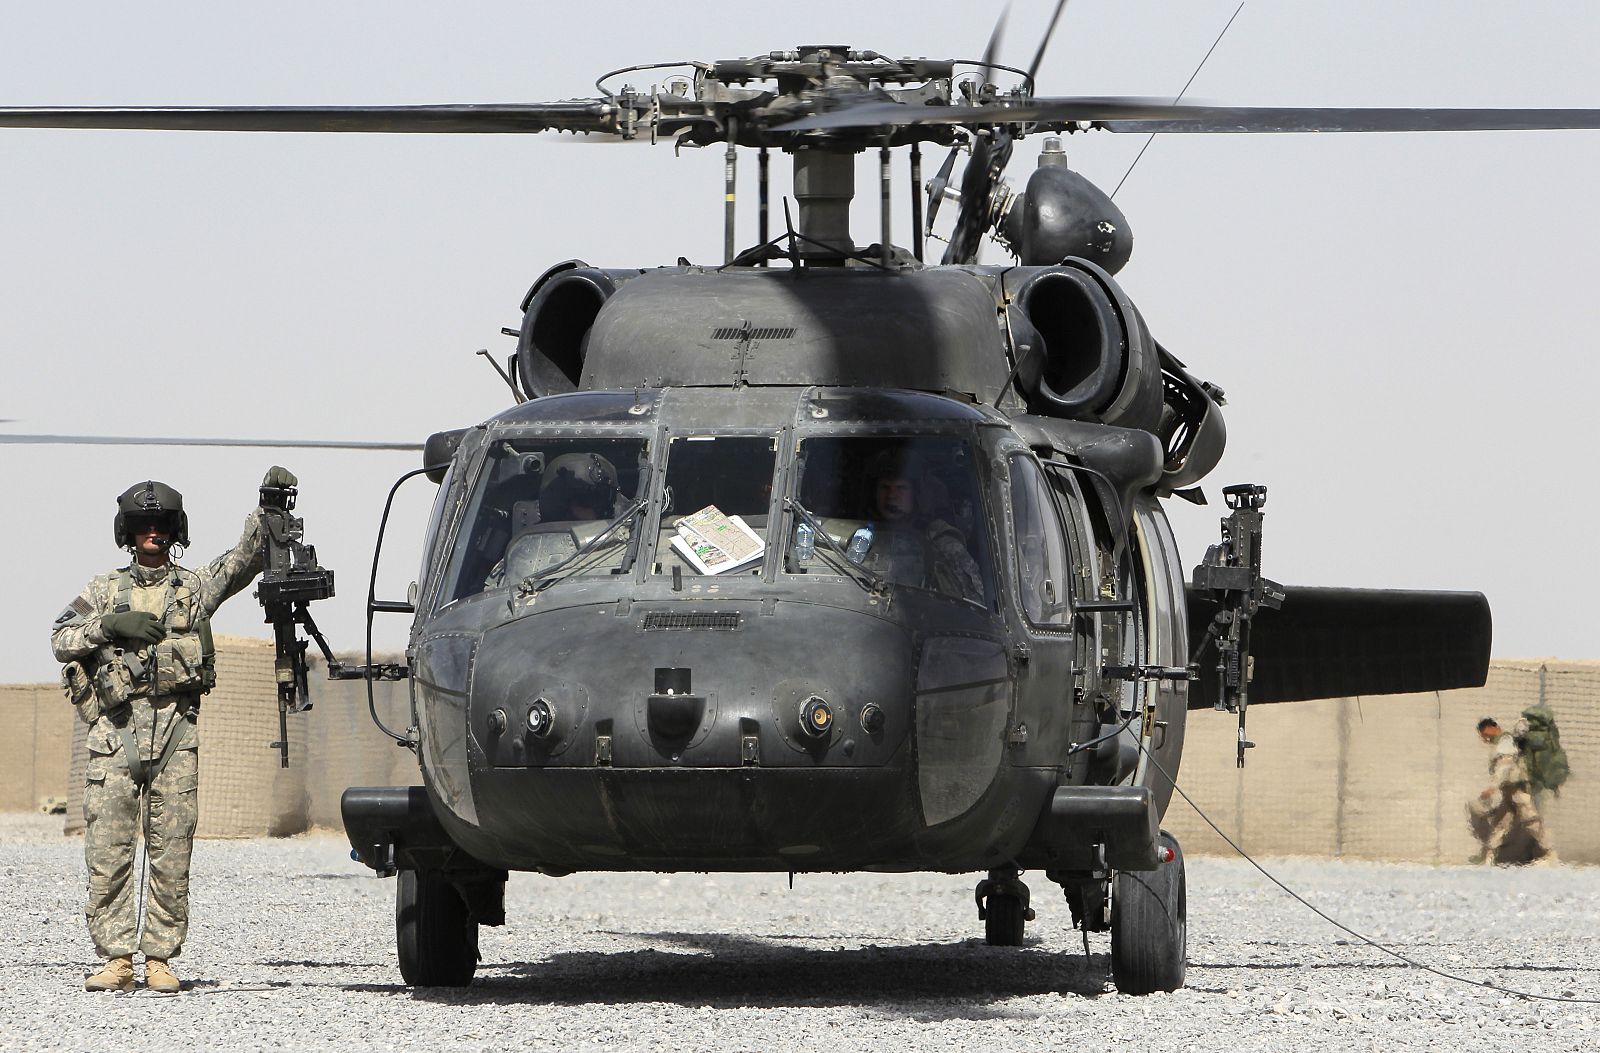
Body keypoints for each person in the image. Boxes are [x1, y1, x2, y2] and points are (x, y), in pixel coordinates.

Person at [51, 468, 296, 993]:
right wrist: (108, 626)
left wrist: (267, 509)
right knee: (109, 851)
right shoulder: (102, 590)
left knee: (171, 852)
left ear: (176, 531)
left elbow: (243, 562)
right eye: (143, 527)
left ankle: (159, 956)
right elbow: (61, 637)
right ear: (128, 533)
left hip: (176, 738)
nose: (153, 535)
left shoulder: (193, 590)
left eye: (161, 526)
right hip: (114, 736)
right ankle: (116, 958)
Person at [858, 453, 984, 602]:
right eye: (885, 487)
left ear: (916, 494)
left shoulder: (941, 542)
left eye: (901, 488)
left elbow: (975, 604)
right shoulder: (858, 536)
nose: (891, 495)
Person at [1467, 716, 1557, 866]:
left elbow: (1505, 767)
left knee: (1531, 820)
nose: (1484, 739)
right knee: (1501, 823)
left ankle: (1549, 853)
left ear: (1490, 729)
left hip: (1517, 789)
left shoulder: (1505, 743)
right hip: (1508, 790)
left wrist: (1493, 787)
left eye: (1484, 734)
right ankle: (1489, 855)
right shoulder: (1502, 743)